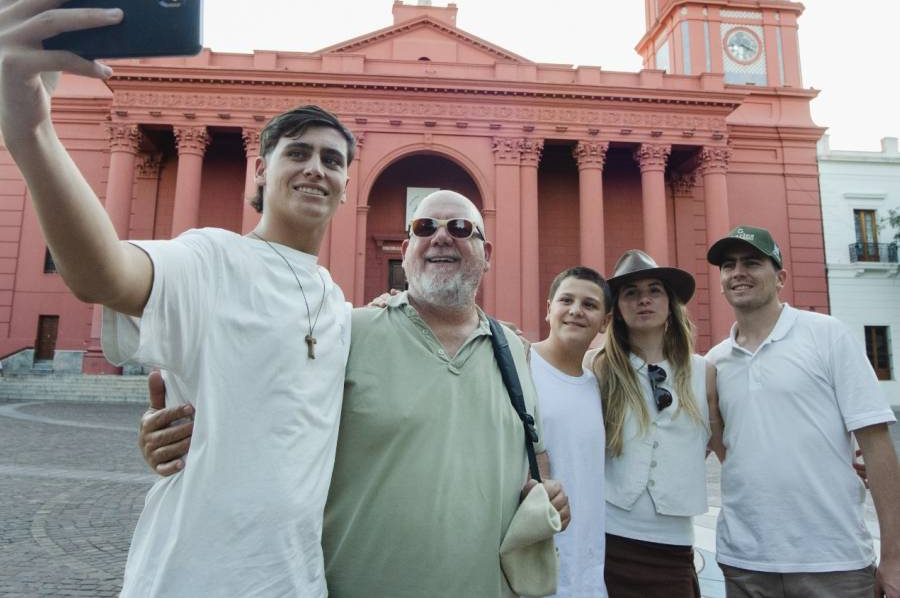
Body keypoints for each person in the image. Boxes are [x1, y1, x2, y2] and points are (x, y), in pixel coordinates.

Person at [0, 0, 356, 596]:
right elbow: (104, 274)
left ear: (346, 188)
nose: (315, 168)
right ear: (259, 173)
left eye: (332, 160)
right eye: (296, 152)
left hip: (296, 581)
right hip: (190, 577)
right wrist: (31, 131)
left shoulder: (337, 304)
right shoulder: (210, 258)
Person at [137, 189, 570, 597]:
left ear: (486, 253)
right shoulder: (345, 332)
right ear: (405, 251)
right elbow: (258, 399)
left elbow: (529, 450)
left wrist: (546, 492)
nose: (441, 237)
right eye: (423, 228)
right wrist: (182, 432)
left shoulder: (514, 350)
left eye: (459, 228)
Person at [705, 225, 900, 598]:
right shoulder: (715, 362)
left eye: (752, 262)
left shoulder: (827, 335)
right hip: (746, 563)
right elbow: (720, 450)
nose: (738, 272)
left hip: (833, 562)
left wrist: (894, 557)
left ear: (780, 278)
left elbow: (877, 447)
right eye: (728, 265)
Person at [592, 249, 724, 598]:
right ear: (617, 309)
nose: (643, 300)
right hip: (608, 540)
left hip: (673, 547)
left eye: (654, 290)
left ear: (671, 303)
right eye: (630, 293)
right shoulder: (598, 368)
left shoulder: (704, 372)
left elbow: (719, 447)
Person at [530, 266, 612, 598]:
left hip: (586, 573)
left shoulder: (598, 385)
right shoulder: (518, 367)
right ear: (548, 308)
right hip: (531, 570)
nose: (576, 310)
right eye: (566, 300)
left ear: (605, 322)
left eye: (590, 305)